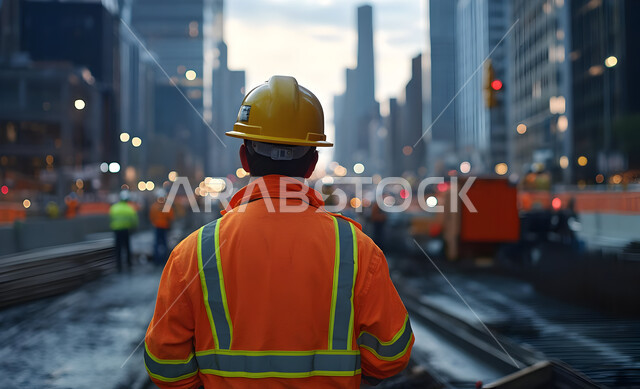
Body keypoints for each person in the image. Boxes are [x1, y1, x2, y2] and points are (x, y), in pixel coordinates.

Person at [144, 76, 414, 388]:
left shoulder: (194, 252)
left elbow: (164, 363)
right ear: (312, 163)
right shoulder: (356, 249)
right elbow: (391, 355)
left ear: (244, 158)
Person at [109, 190, 138, 271]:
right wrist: (134, 228)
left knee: (118, 248)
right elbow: (134, 220)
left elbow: (111, 218)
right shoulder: (130, 209)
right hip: (126, 230)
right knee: (127, 247)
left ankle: (118, 265)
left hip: (117, 230)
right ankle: (128, 263)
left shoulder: (114, 208)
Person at [149, 189, 174, 265]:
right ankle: (165, 259)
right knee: (165, 243)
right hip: (165, 227)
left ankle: (157, 259)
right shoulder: (167, 207)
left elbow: (151, 217)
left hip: (157, 227)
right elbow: (171, 217)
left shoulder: (154, 206)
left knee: (157, 243)